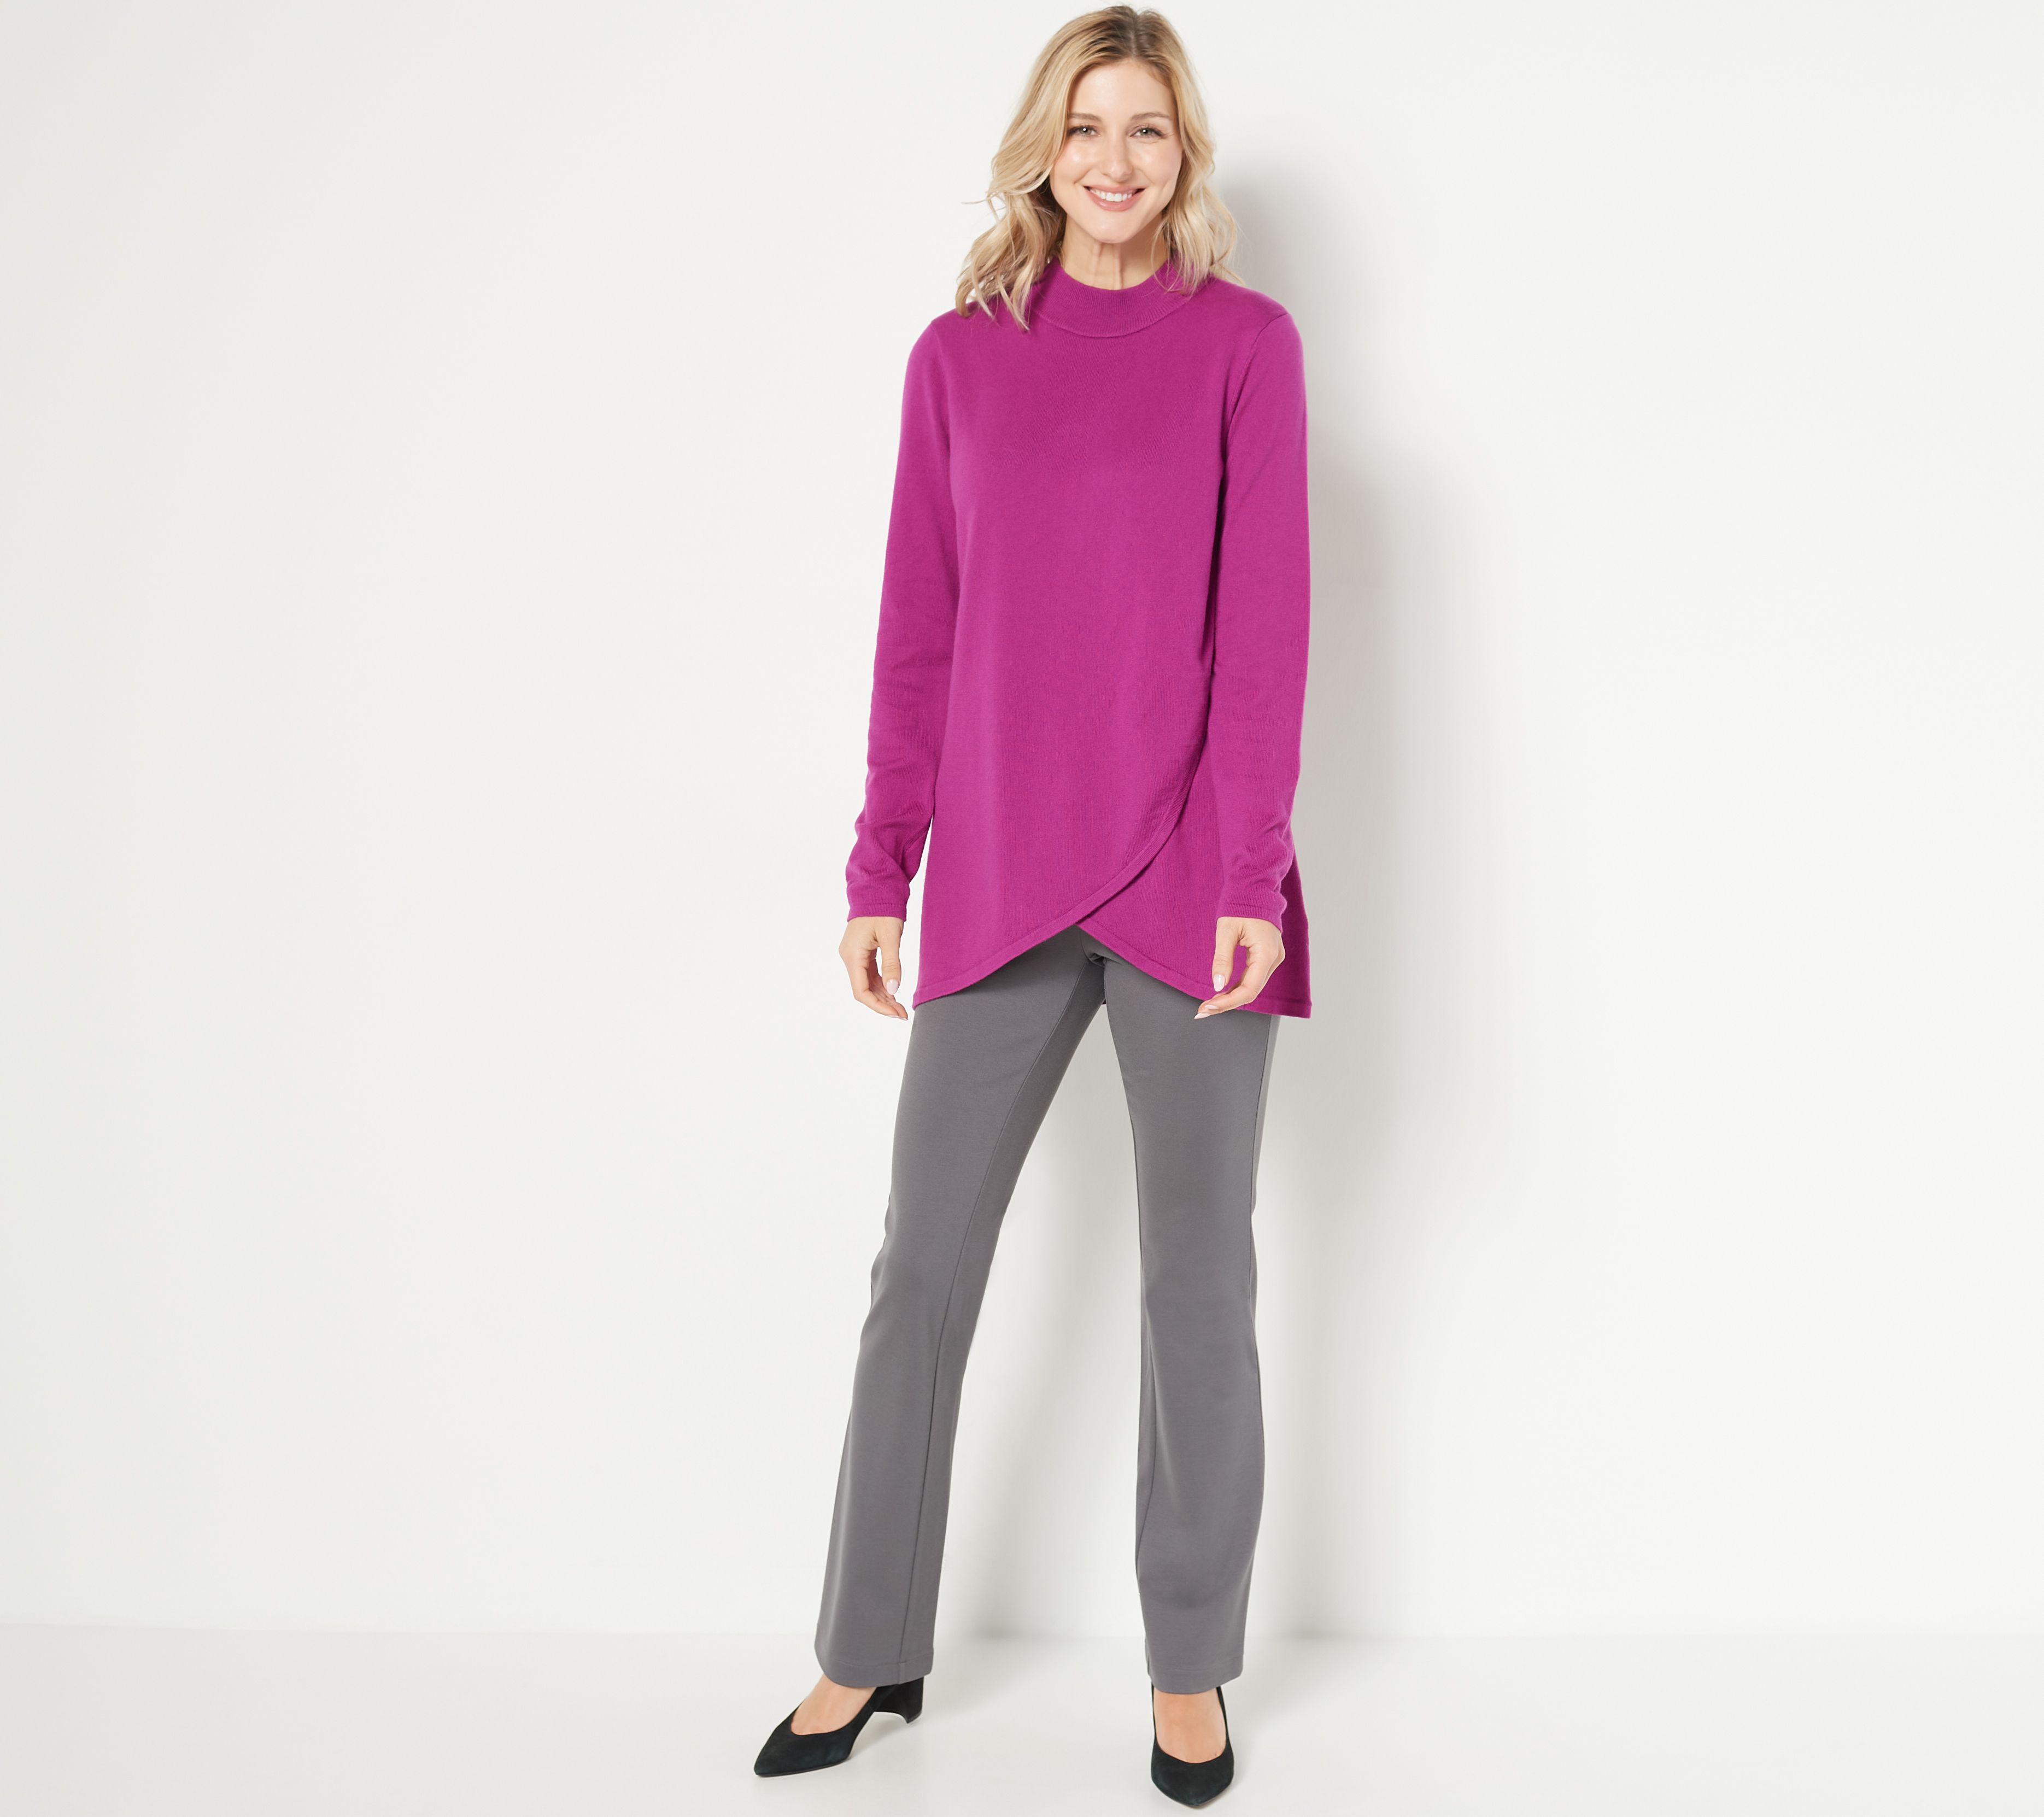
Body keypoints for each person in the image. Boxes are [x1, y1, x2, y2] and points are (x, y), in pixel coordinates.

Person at [753, 7, 1313, 1804]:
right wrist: (881, 860)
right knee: (916, 1268)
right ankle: (867, 1644)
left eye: (1146, 128)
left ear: (1182, 152)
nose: (1114, 160)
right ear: (1041, 150)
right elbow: (915, 629)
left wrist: (1249, 873)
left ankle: (1188, 1664)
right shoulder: (957, 361)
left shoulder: (1245, 348)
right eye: (1086, 126)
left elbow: (1266, 631)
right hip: (997, 869)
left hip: (1192, 880)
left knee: (1195, 1281)